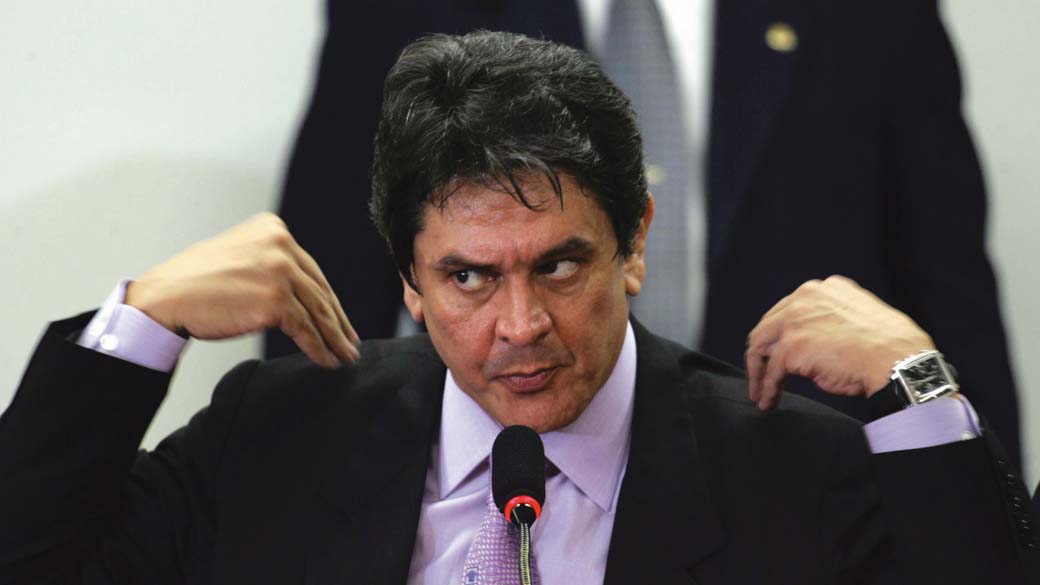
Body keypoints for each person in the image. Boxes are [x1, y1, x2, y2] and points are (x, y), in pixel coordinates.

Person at [1, 32, 1036, 584]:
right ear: (407, 279)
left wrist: (919, 389)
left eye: (559, 265)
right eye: (468, 277)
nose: (520, 325)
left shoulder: (794, 471)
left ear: (634, 241)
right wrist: (137, 324)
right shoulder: (277, 434)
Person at [270, 0, 1023, 469]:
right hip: (514, 493)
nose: (523, 316)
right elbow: (331, 296)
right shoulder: (397, 12)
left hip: (815, 508)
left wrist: (997, 520)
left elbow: (950, 293)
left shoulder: (872, 16)